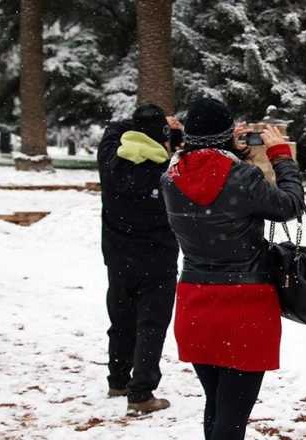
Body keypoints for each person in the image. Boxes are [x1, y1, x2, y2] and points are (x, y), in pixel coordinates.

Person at [160, 97, 304, 440]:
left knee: (218, 405)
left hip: (195, 302)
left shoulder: (170, 177)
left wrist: (226, 148)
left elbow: (202, 168)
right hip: (246, 304)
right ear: (228, 135)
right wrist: (281, 156)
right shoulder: (242, 177)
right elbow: (291, 205)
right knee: (233, 415)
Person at [97, 104, 182, 415]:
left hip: (118, 258)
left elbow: (112, 132)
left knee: (120, 320)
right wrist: (170, 129)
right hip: (158, 260)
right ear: (161, 139)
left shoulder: (110, 163)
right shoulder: (168, 175)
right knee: (152, 325)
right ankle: (141, 392)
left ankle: (118, 379)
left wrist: (147, 123)